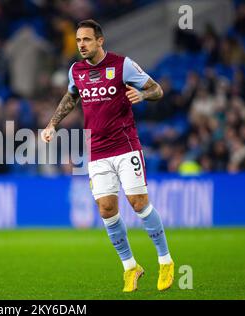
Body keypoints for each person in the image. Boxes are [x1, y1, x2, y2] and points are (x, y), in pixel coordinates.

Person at [41, 19, 174, 292]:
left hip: (125, 146)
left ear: (100, 41)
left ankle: (165, 260)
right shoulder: (75, 70)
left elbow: (157, 89)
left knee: (138, 203)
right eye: (78, 40)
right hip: (97, 152)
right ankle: (130, 267)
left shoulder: (122, 65)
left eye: (87, 40)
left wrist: (141, 93)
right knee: (106, 210)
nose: (81, 45)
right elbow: (71, 97)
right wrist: (53, 123)